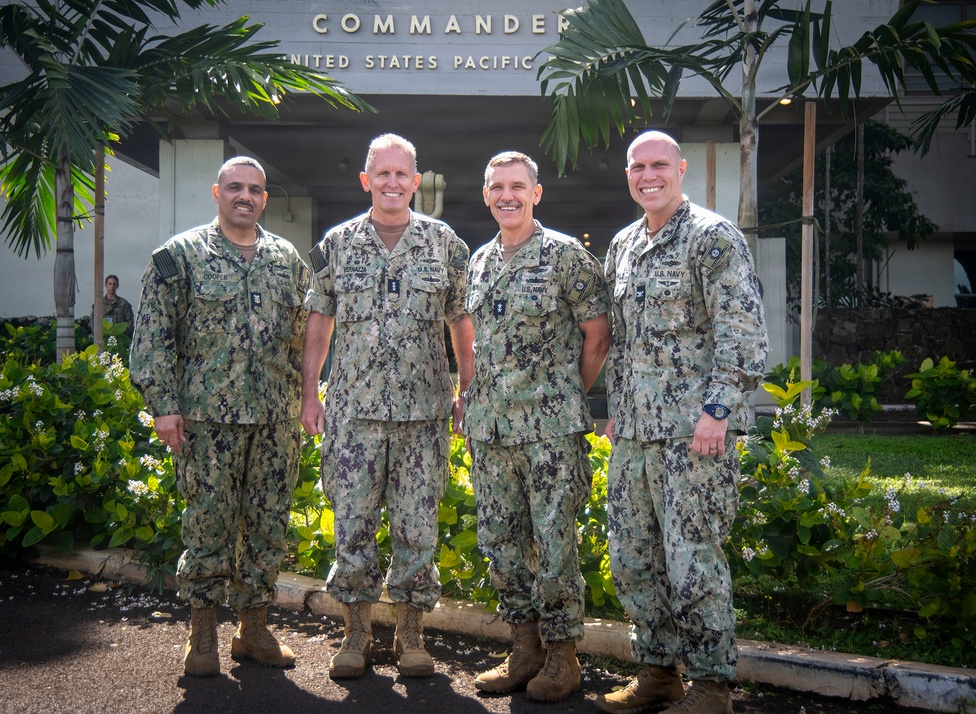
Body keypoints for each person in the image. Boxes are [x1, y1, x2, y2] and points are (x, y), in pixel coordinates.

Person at [595, 131, 768, 714]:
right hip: (637, 431)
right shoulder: (621, 245)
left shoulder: (712, 238)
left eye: (659, 165)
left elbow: (742, 333)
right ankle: (658, 673)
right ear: (628, 174)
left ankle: (712, 685)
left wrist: (716, 413)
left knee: (692, 557)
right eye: (638, 166)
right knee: (632, 556)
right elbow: (621, 342)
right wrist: (617, 411)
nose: (649, 175)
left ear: (681, 170)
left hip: (695, 432)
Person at [300, 133, 474, 680]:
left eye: (403, 174)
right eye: (383, 174)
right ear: (366, 180)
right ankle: (355, 634)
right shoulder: (337, 243)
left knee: (416, 528)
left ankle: (411, 635)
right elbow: (319, 321)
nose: (393, 183)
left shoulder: (444, 242)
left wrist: (466, 389)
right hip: (353, 414)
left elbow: (461, 323)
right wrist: (310, 390)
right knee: (350, 524)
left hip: (424, 416)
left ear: (416, 181)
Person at [130, 156, 309, 678]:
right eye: (235, 188)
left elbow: (304, 336)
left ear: (265, 199)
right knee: (207, 523)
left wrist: (305, 396)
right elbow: (153, 340)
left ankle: (252, 630)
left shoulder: (286, 259)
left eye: (254, 189)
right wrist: (164, 406)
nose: (244, 197)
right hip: (207, 422)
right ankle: (202, 634)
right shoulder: (179, 256)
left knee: (268, 525)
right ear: (216, 193)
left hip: (274, 421)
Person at [464, 151, 610, 703]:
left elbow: (597, 338)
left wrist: (563, 394)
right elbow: (480, 343)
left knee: (554, 546)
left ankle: (562, 657)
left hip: (549, 431)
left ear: (536, 194)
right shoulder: (479, 261)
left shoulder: (567, 257)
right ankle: (522, 649)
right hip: (491, 430)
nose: (507, 195)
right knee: (501, 543)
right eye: (497, 186)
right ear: (486, 195)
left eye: (517, 186)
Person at [91, 274, 135, 338]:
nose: (112, 286)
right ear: (106, 285)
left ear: (117, 286)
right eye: (110, 284)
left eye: (114, 284)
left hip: (120, 339)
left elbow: (130, 321)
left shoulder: (124, 303)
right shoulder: (99, 304)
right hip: (103, 339)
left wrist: (120, 332)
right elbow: (93, 321)